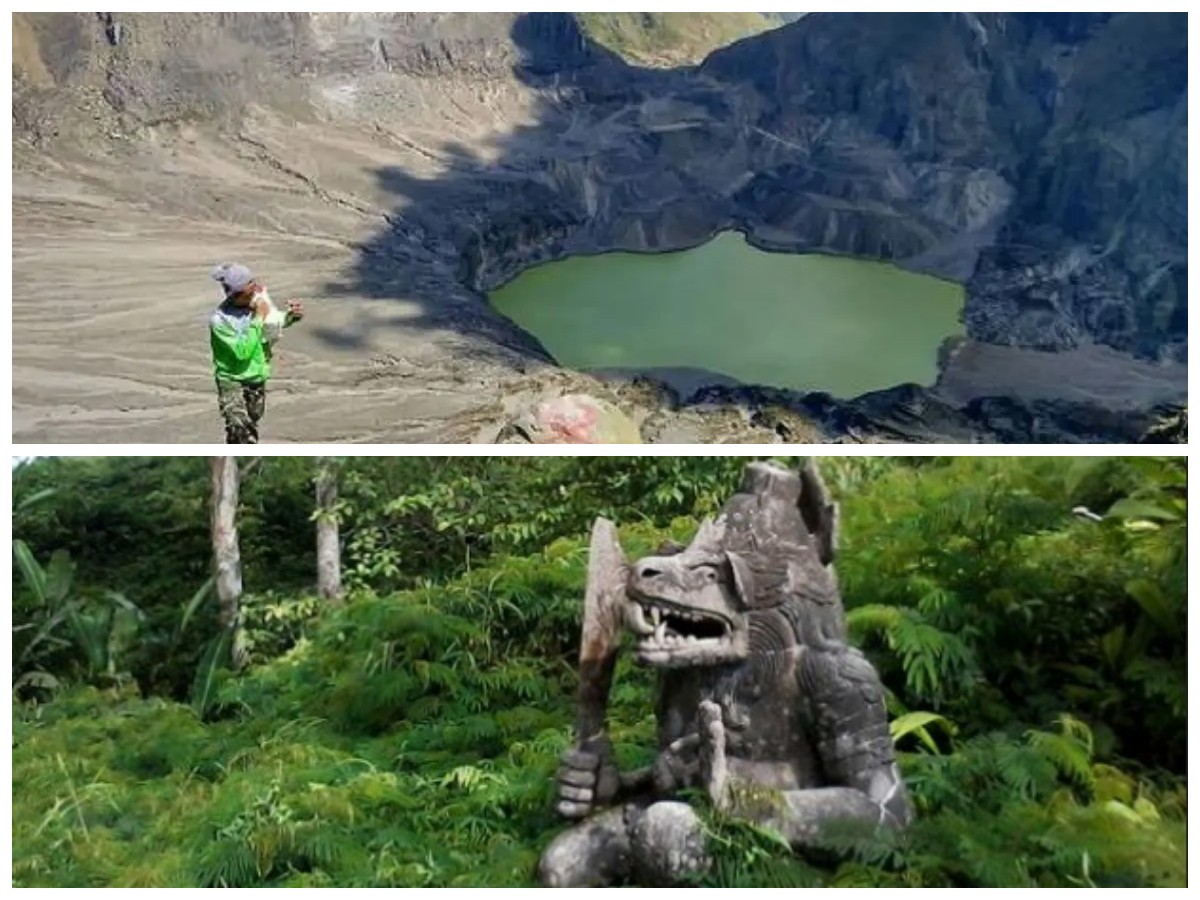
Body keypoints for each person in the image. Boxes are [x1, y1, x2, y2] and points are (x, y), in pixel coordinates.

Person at [209, 263, 304, 443]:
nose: (256, 294)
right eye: (251, 291)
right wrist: (258, 317)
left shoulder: (258, 305)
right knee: (239, 426)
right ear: (236, 294)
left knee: (252, 422)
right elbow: (242, 353)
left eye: (255, 288)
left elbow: (272, 326)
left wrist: (291, 316)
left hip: (256, 378)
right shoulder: (220, 321)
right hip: (231, 379)